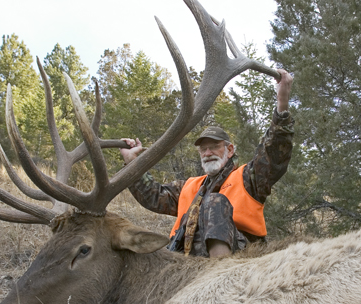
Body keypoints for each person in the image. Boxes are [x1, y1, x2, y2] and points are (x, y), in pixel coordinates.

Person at [120, 69, 294, 258]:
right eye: (204, 149)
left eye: (214, 147)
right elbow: (153, 196)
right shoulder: (188, 187)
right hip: (188, 258)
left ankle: (219, 274)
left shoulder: (248, 178)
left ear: (230, 150)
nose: (208, 153)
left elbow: (274, 154)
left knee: (214, 201)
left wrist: (282, 106)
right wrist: (132, 163)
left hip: (241, 256)